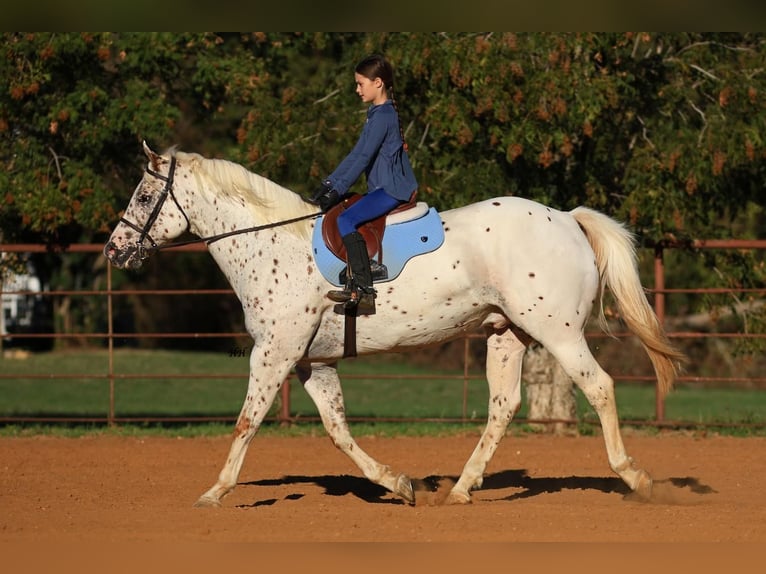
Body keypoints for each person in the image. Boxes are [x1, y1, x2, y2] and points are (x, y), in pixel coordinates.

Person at [310, 54, 418, 315]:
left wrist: (337, 189)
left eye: (360, 84)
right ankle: (352, 281)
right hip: (383, 188)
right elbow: (356, 153)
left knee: (345, 220)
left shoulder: (383, 117)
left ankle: (365, 288)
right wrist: (330, 183)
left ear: (377, 83)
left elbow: (363, 158)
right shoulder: (377, 113)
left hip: (391, 190)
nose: (357, 89)